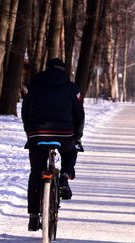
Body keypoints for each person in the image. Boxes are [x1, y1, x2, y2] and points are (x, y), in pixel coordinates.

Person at [22, 58, 85, 231]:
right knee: (70, 151)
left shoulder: (33, 85)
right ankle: (64, 177)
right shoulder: (72, 88)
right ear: (64, 71)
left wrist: (30, 132)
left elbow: (25, 111)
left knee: (36, 172)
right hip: (64, 134)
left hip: (37, 133)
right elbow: (79, 115)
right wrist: (77, 136)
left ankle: (34, 216)